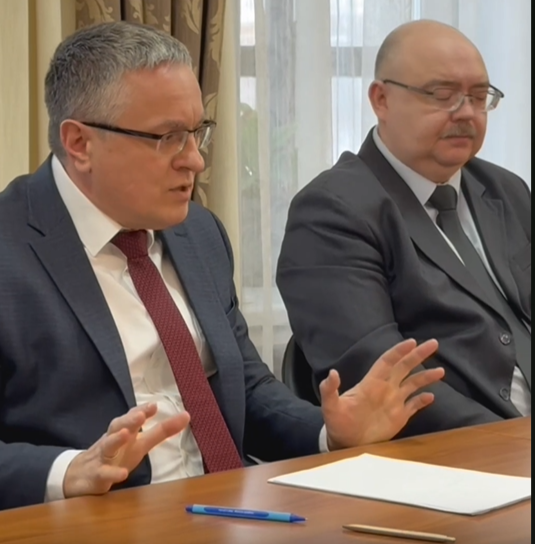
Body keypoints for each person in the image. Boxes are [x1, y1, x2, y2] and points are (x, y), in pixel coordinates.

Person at [0, 22, 444, 511]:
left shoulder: (198, 232)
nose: (194, 161)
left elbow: (244, 391)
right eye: (168, 137)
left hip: (235, 511)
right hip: (104, 522)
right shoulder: (11, 251)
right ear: (80, 144)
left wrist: (329, 434)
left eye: (197, 133)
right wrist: (66, 471)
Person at [277, 20, 531, 438]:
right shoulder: (332, 212)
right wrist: (514, 443)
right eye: (443, 95)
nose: (466, 113)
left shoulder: (505, 190)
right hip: (460, 451)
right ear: (382, 99)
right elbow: (379, 379)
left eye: (478, 97)